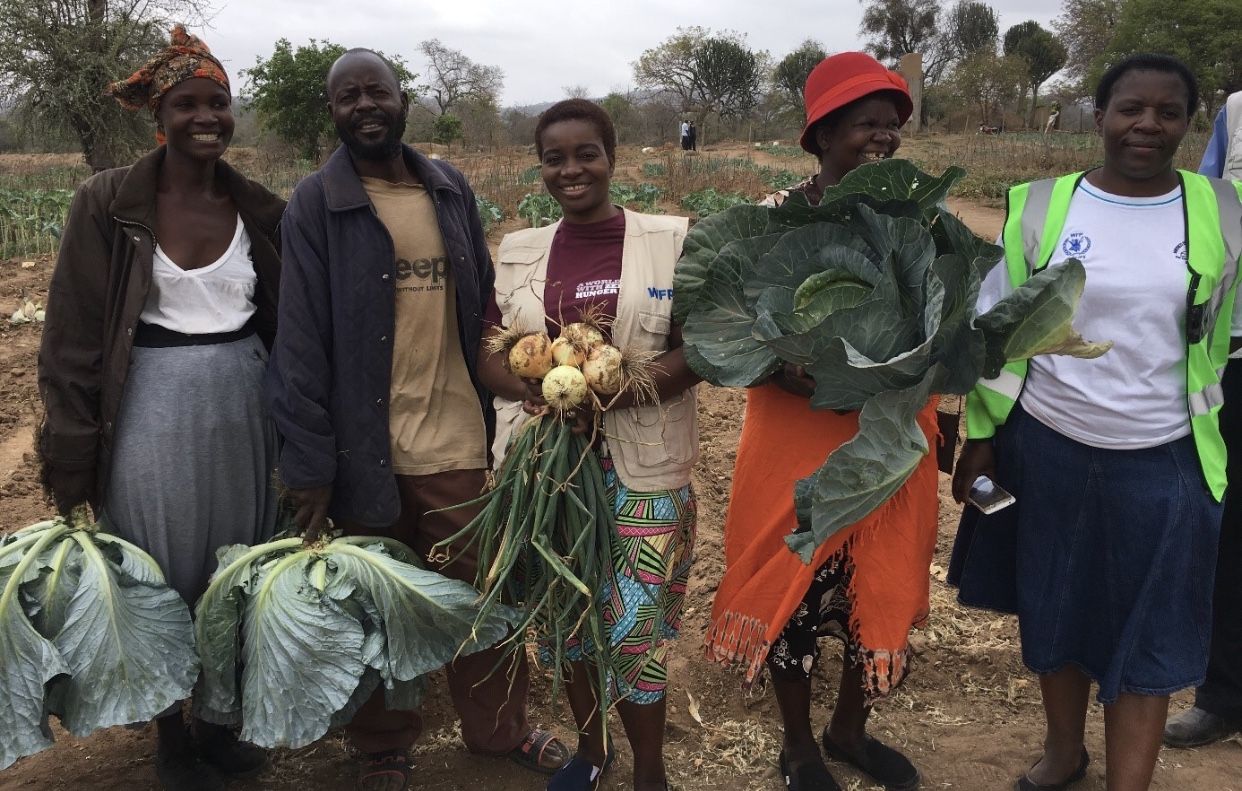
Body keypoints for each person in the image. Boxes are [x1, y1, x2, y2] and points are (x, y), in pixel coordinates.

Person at [265, 48, 568, 791]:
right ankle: (383, 746)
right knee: (373, 607)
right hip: (363, 448)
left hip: (456, 438)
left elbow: (483, 311)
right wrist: (307, 463)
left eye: (377, 91)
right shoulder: (315, 202)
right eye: (347, 97)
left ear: (404, 101)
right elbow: (298, 340)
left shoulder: (447, 187)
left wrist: (522, 375)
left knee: (477, 599)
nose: (364, 105)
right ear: (332, 112)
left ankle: (500, 729)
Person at [950, 54, 1242, 791]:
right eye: (1130, 108)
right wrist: (979, 438)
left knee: (1147, 628)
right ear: (1101, 115)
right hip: (1047, 444)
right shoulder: (1040, 206)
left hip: (1168, 455)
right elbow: (995, 335)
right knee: (1056, 606)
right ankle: (1062, 752)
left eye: (1168, 112)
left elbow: (1227, 335)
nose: (1147, 124)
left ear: (1188, 124)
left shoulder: (1223, 212)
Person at [36, 25, 281, 791]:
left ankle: (217, 720)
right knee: (159, 568)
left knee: (234, 565)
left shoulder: (261, 209)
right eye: (188, 104)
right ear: (160, 116)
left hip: (244, 405)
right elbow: (72, 335)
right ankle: (172, 731)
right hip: (149, 407)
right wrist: (70, 454)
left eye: (219, 103)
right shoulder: (108, 202)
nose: (207, 117)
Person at [704, 53, 935, 791]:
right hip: (795, 432)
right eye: (866, 123)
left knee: (878, 580)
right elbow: (719, 322)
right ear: (821, 135)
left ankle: (850, 728)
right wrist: (783, 366)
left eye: (891, 125)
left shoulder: (917, 217)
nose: (883, 137)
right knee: (796, 584)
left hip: (889, 430)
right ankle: (800, 744)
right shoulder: (772, 218)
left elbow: (951, 319)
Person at [478, 98, 700, 791]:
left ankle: (652, 773)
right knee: (568, 619)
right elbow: (489, 350)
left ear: (612, 157)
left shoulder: (670, 241)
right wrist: (544, 391)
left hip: (642, 467)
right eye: (554, 157)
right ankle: (593, 751)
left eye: (586, 154)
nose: (571, 169)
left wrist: (610, 394)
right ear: (540, 166)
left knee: (632, 634)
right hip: (547, 472)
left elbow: (700, 349)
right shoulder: (518, 249)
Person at [1162, 87, 1242, 749]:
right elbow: (1205, 213)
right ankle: (1225, 691)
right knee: (1228, 526)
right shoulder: (1238, 112)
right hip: (1233, 354)